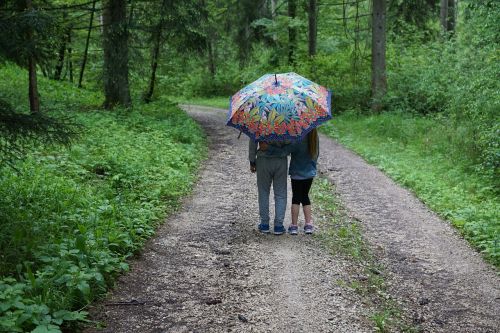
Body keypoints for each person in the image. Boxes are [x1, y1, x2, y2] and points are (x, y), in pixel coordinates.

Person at [262, 128, 319, 235]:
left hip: (297, 173)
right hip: (309, 172)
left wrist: (269, 148)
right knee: (305, 197)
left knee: (296, 198)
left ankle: (294, 226)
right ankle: (308, 225)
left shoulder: (298, 138)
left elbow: (284, 151)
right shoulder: (315, 138)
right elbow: (316, 155)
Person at [249, 139, 289, 235]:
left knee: (263, 192)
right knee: (280, 193)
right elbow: (290, 142)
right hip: (280, 160)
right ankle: (278, 226)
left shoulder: (258, 124)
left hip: (263, 160)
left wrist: (252, 161)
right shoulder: (286, 124)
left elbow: (253, 141)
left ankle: (264, 224)